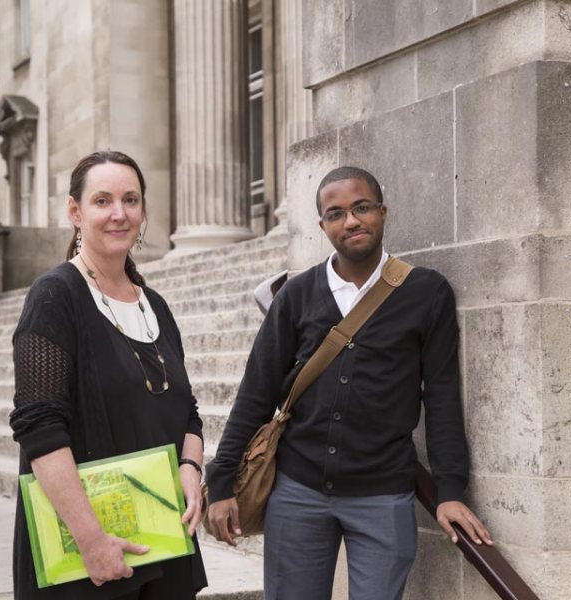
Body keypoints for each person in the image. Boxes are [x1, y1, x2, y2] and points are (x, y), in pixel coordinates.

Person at [206, 166, 492, 600]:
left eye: (362, 208)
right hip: (297, 492)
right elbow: (255, 393)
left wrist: (450, 490)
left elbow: (442, 398)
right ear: (323, 225)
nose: (351, 221)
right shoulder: (297, 295)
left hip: (383, 496)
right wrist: (222, 481)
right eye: (335, 213)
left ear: (383, 211)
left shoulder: (425, 292)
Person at [9, 150, 207, 600]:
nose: (120, 214)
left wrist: (191, 467)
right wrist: (91, 540)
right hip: (88, 551)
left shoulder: (153, 304)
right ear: (75, 212)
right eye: (103, 201)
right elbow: (40, 431)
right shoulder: (54, 297)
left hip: (163, 537)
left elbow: (187, 413)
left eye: (131, 200)